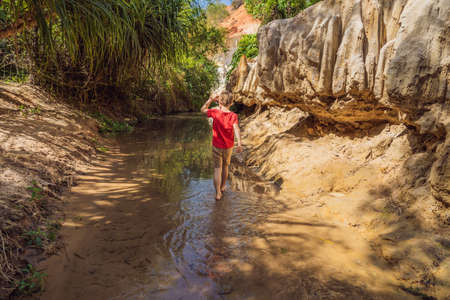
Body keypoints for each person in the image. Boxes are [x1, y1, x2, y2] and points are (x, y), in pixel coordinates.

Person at [201, 91, 242, 200]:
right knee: (225, 166)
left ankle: (218, 192)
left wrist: (210, 99)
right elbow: (236, 129)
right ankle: (223, 186)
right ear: (231, 103)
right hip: (228, 146)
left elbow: (203, 110)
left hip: (216, 146)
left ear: (219, 102)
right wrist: (239, 143)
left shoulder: (215, 112)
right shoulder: (233, 115)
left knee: (217, 168)